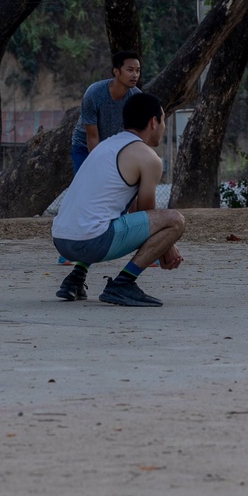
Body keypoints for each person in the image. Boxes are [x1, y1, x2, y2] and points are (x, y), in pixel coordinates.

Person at [52, 93, 185, 307]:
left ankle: (75, 278)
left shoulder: (106, 146)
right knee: (175, 220)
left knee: (106, 214)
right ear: (153, 122)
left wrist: (165, 245)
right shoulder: (148, 158)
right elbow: (148, 216)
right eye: (163, 121)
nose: (164, 127)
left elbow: (133, 213)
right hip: (91, 242)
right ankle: (123, 283)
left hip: (61, 239)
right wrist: (166, 247)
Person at [57, 51, 143, 271]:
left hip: (116, 149)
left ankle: (142, 249)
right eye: (130, 70)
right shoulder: (94, 93)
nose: (135, 75)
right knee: (85, 194)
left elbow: (134, 135)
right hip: (86, 147)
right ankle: (67, 252)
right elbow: (92, 137)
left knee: (129, 195)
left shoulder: (136, 98)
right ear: (116, 71)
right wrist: (101, 169)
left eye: (138, 70)